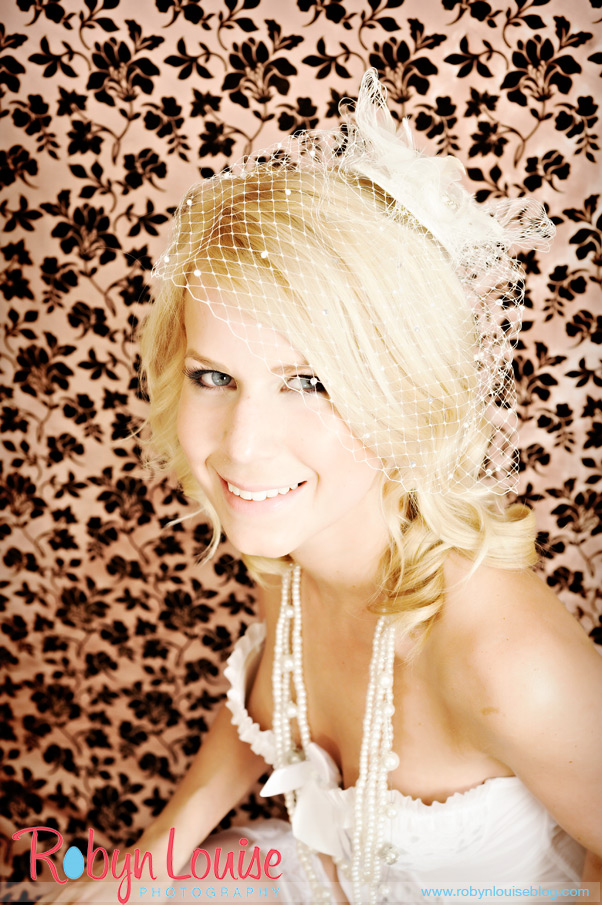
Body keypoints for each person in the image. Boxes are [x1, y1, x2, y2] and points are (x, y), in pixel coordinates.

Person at [55, 70, 602, 904]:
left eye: (309, 382)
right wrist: (154, 855)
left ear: (405, 392)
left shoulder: (507, 661)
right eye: (214, 375)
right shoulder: (293, 541)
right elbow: (277, 693)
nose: (243, 446)